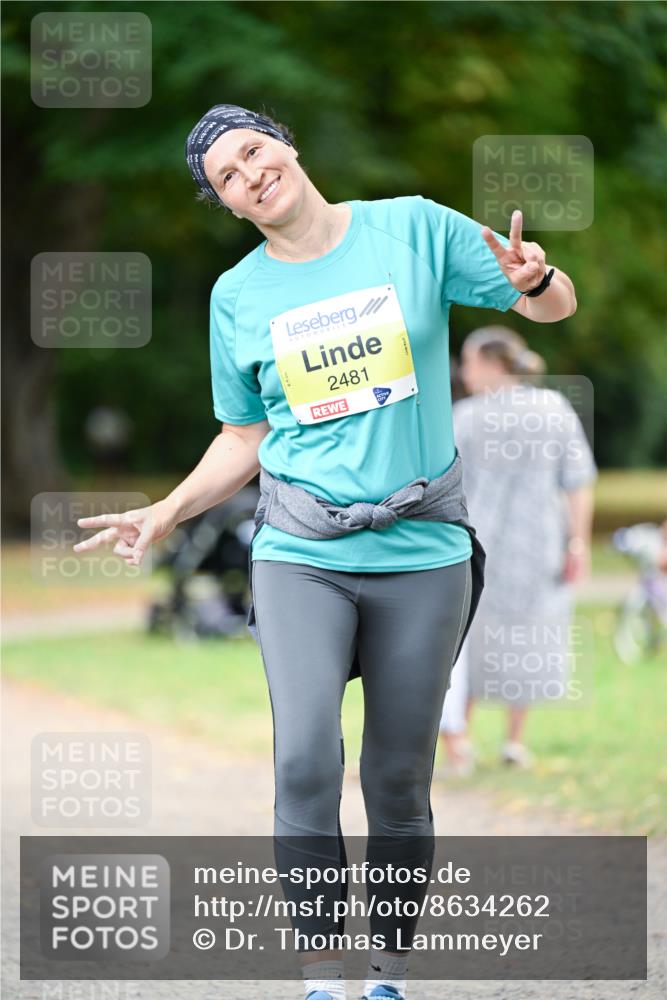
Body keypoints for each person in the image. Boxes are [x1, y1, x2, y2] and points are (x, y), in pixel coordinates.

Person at [74, 104, 577, 1000]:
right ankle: (320, 975)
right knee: (305, 756)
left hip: (422, 552)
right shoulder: (238, 296)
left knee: (395, 773)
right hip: (300, 549)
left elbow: (551, 303)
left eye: (253, 152)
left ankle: (386, 970)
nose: (248, 175)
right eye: (227, 177)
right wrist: (171, 508)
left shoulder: (412, 227)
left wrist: (537, 281)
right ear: (226, 204)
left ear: (287, 145)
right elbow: (243, 434)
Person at [439, 327, 596, 775]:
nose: (464, 372)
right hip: (540, 543)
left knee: (464, 641)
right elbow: (578, 480)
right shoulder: (554, 409)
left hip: (476, 547)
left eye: (469, 362)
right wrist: (578, 541)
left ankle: (459, 742)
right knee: (528, 637)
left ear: (492, 364)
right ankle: (513, 741)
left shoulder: (464, 417)